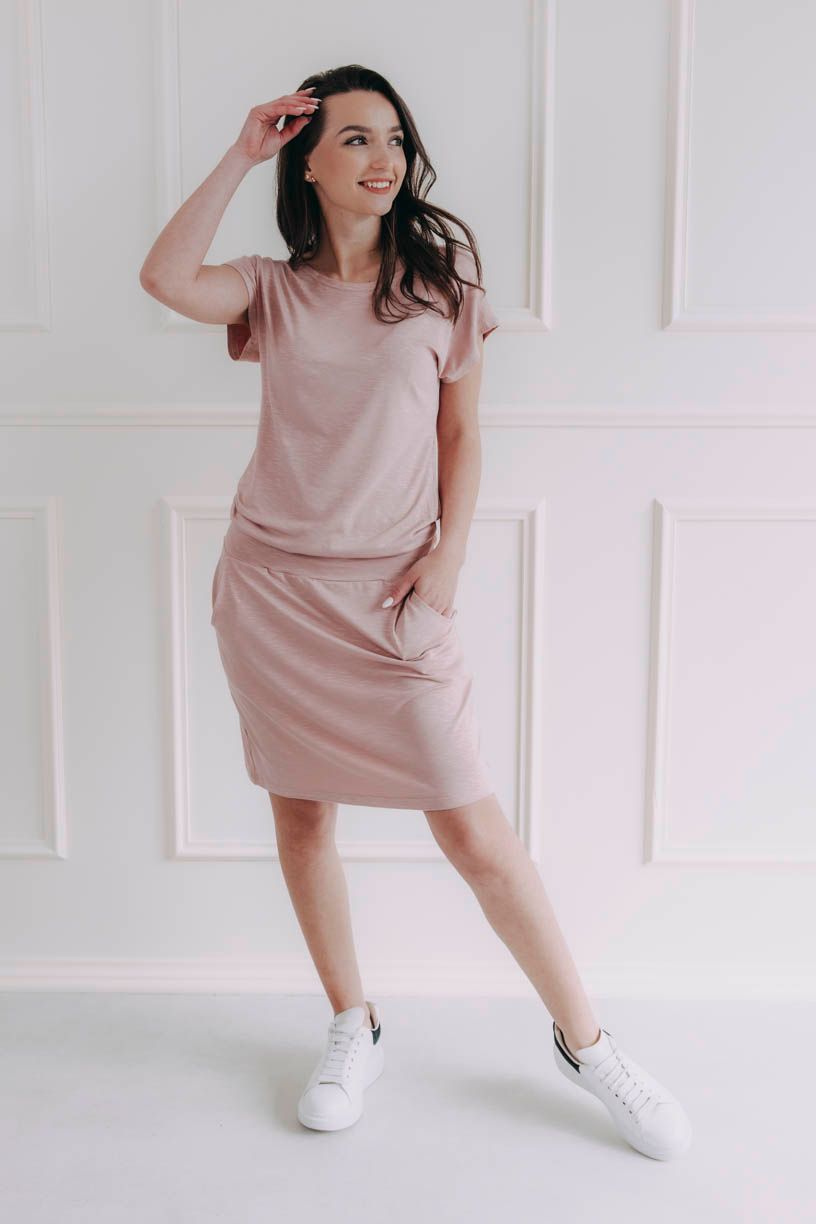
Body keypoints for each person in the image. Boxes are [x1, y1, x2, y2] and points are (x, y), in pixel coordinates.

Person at [139, 64, 692, 1160]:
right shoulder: (271, 289)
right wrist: (240, 153)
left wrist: (448, 557)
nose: (383, 157)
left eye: (392, 137)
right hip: (274, 594)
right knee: (302, 817)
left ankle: (588, 1045)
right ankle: (354, 1021)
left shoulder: (441, 290)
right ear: (307, 161)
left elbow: (462, 435)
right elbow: (162, 278)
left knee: (474, 830)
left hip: (394, 599)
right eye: (353, 138)